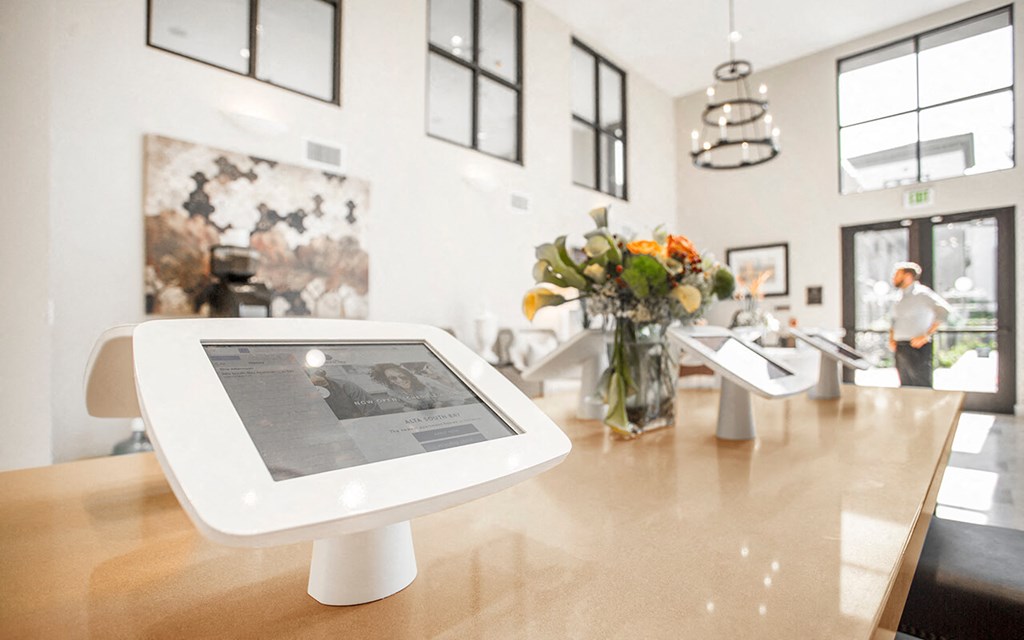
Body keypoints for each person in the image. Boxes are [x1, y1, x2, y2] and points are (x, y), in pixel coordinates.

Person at [887, 262, 953, 388]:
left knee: (921, 386)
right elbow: (894, 320)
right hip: (900, 347)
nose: (893, 278)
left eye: (897, 274)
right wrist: (891, 339)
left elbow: (944, 312)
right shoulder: (899, 297)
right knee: (905, 386)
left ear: (907, 276)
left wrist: (926, 335)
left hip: (917, 347)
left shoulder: (922, 294)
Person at [369, 363, 469, 411]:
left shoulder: (426, 382)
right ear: (388, 381)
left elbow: (454, 396)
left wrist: (440, 403)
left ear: (407, 374)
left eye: (401, 375)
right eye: (393, 378)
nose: (399, 380)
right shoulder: (392, 391)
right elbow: (407, 405)